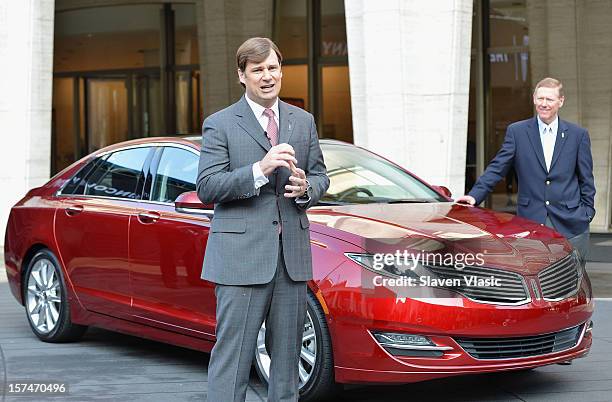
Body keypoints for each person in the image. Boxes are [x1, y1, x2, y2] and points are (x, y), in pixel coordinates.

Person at [196, 37, 329, 402]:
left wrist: (306, 188)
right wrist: (259, 169)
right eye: (258, 70)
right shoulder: (220, 124)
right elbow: (207, 187)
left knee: (286, 368)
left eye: (272, 68)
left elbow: (321, 176)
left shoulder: (302, 121)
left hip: (291, 262)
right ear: (242, 76)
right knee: (233, 361)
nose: (267, 76)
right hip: (241, 261)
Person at [456, 77, 595, 261]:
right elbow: (498, 167)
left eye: (549, 99)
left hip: (572, 224)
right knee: (535, 281)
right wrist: (474, 195)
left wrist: (586, 213)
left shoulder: (578, 135)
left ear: (561, 101)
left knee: (574, 281)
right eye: (540, 98)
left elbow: (586, 179)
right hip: (531, 221)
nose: (544, 104)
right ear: (534, 99)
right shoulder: (517, 132)